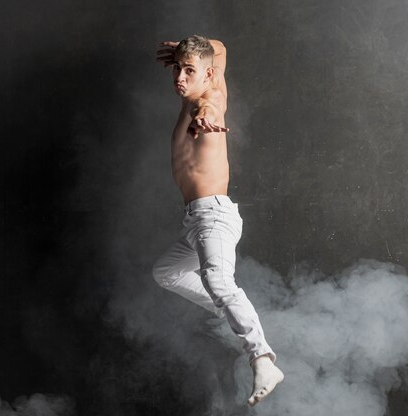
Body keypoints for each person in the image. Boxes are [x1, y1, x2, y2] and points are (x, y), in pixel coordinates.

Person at [153, 35, 284, 407]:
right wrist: (188, 47)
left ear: (208, 75)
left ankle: (262, 358)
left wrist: (205, 120)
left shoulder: (210, 99)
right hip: (195, 221)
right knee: (167, 273)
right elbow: (221, 47)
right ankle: (233, 311)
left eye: (189, 70)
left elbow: (210, 109)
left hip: (213, 216)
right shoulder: (207, 77)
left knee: (217, 280)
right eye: (177, 68)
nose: (179, 76)